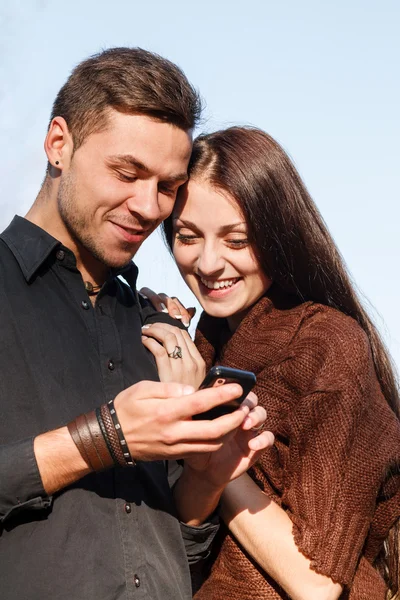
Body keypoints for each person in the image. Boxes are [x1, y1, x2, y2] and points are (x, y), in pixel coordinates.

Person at [0, 51, 274, 600]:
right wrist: (100, 439)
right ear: (59, 145)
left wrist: (205, 477)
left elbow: (177, 543)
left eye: (168, 186)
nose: (149, 207)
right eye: (127, 173)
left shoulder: (162, 330)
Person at [139, 126, 400, 599]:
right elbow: (181, 533)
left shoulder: (328, 345)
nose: (209, 262)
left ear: (281, 236)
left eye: (237, 240)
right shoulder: (206, 346)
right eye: (187, 236)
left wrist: (218, 444)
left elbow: (317, 584)